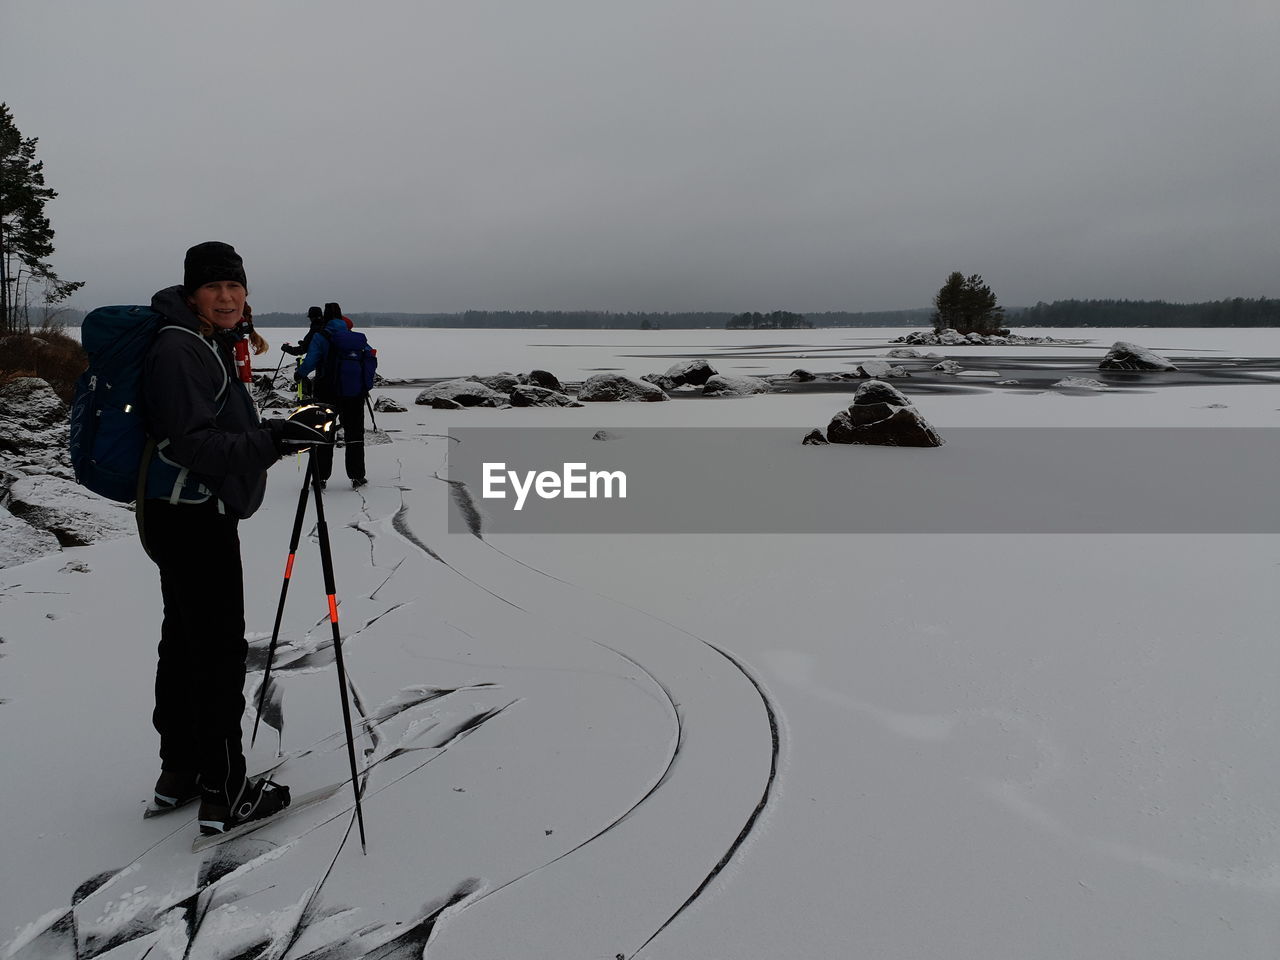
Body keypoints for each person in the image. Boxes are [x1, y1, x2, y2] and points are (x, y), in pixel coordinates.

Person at [141, 241, 334, 835]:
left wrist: (277, 432)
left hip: (185, 512)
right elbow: (196, 444)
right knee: (217, 649)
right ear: (192, 292)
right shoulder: (181, 349)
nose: (226, 297)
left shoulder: (203, 343)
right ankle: (225, 791)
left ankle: (181, 772)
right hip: (193, 517)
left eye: (235, 287)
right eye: (213, 287)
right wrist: (278, 439)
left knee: (185, 640)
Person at [294, 301, 369, 489]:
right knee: (355, 434)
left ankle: (320, 478)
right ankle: (357, 476)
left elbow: (311, 359)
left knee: (324, 433)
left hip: (327, 391)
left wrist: (300, 374)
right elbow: (368, 359)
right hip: (354, 392)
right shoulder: (354, 338)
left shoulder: (321, 336)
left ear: (325, 318)